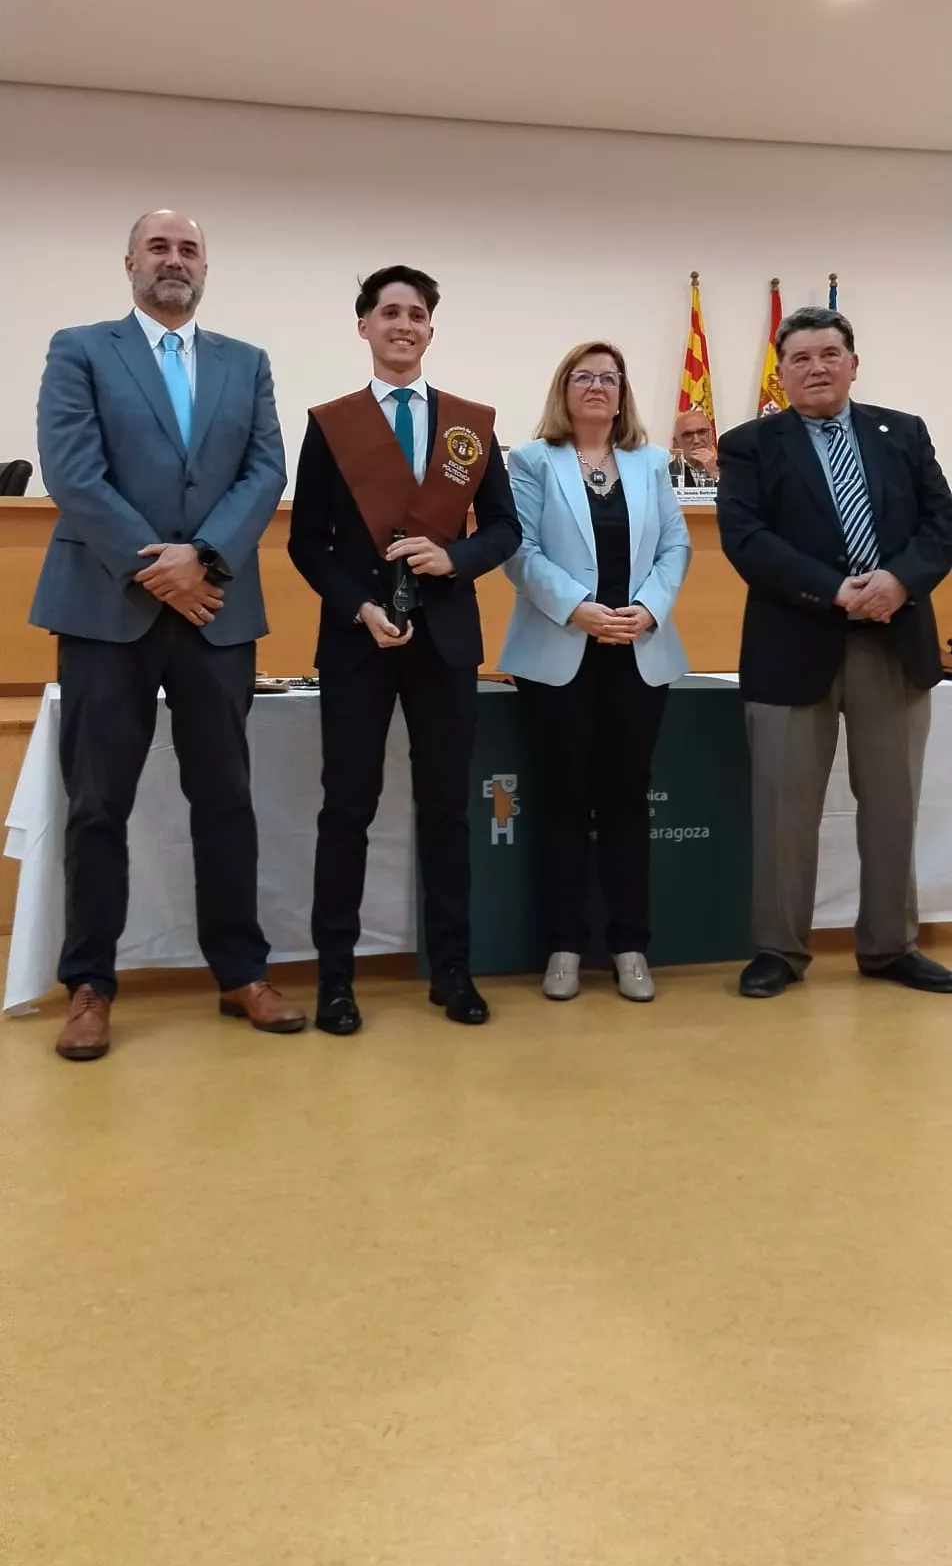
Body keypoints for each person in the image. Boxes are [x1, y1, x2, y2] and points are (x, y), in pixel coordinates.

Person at [32, 210, 305, 1059]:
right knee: (97, 803)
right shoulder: (80, 349)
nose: (174, 260)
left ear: (205, 268)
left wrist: (207, 560)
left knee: (224, 799)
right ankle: (89, 985)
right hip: (107, 609)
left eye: (189, 249)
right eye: (160, 247)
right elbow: (71, 469)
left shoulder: (246, 363)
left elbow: (267, 470)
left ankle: (241, 974)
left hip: (216, 611)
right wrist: (162, 568)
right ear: (129, 264)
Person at [289, 265, 521, 1033]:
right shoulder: (332, 424)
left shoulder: (470, 425)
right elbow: (306, 542)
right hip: (359, 641)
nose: (404, 325)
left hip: (445, 639)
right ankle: (335, 980)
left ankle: (452, 971)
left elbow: (503, 529)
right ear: (364, 327)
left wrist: (455, 559)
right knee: (346, 810)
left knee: (447, 811)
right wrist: (356, 604)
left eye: (417, 314)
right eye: (389, 312)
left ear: (430, 329)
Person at [716, 305, 952, 999]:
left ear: (852, 362)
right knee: (785, 809)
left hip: (894, 641)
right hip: (795, 644)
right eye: (801, 358)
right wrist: (836, 591)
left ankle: (889, 946)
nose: (816, 368)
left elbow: (943, 522)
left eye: (829, 354)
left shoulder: (903, 433)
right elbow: (747, 540)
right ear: (781, 372)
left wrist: (899, 581)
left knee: (892, 803)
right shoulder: (750, 444)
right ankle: (779, 952)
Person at [499, 343, 692, 1002]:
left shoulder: (652, 462)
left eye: (610, 378)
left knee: (624, 803)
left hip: (637, 653)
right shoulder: (529, 462)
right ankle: (563, 945)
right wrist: (578, 609)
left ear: (622, 393)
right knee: (560, 800)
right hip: (560, 654)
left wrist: (647, 609)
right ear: (564, 388)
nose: (598, 387)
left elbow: (675, 545)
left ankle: (630, 943)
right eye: (585, 376)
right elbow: (518, 551)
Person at [669, 407, 718, 488]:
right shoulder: (665, 474)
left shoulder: (731, 471)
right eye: (688, 435)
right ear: (676, 443)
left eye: (702, 432)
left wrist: (716, 475)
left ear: (712, 437)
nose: (696, 441)